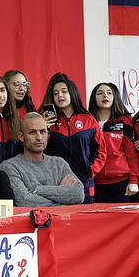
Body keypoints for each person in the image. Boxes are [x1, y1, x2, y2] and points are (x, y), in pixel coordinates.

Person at [40, 72, 105, 204]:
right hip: (57, 185)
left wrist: (89, 170)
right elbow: (40, 151)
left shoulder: (89, 120)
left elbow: (100, 151)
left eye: (64, 91)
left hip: (84, 184)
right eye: (56, 93)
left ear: (72, 93)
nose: (60, 96)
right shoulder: (47, 122)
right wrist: (43, 128)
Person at [0, 112, 84, 207]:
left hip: (63, 221)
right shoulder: (9, 167)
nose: (39, 137)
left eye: (43, 131)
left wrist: (36, 190)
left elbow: (79, 194)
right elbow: (25, 202)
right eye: (32, 132)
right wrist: (61, 194)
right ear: (21, 137)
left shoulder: (59, 163)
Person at [89, 82, 139, 203]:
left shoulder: (125, 121)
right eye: (100, 93)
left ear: (115, 96)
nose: (105, 96)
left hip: (121, 182)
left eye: (109, 93)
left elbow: (132, 154)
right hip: (95, 182)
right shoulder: (88, 121)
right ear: (94, 98)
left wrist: (133, 181)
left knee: (124, 220)